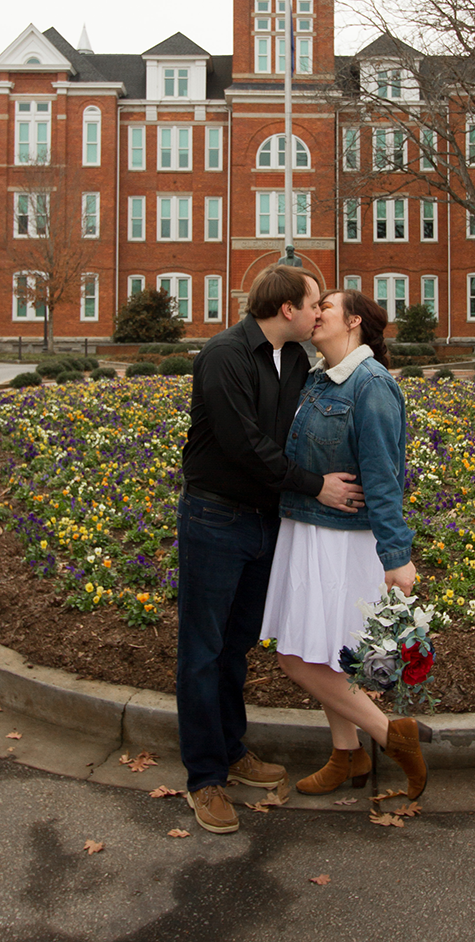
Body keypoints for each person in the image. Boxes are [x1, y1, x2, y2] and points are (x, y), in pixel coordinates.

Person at [177, 264, 365, 833]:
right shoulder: (224, 355)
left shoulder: (294, 363)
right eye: (313, 303)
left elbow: (301, 433)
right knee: (203, 651)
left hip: (265, 521)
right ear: (287, 308)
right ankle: (205, 778)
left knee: (235, 648)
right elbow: (244, 446)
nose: (318, 313)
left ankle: (234, 751)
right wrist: (316, 485)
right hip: (215, 517)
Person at [260, 288, 429, 799]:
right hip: (308, 528)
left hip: (342, 541)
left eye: (325, 308)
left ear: (353, 321)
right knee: (327, 653)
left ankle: (391, 737)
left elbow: (384, 475)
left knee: (298, 657)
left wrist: (397, 557)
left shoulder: (371, 383)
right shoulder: (316, 378)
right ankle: (347, 755)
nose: (315, 314)